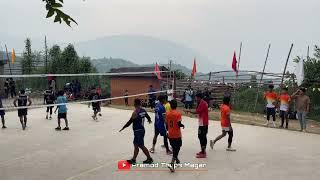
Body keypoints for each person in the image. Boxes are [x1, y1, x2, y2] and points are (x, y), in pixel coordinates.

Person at [119, 98, 153, 164]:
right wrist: (149, 120)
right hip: (141, 130)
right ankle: (134, 159)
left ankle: (149, 159)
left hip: (138, 131)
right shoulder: (143, 110)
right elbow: (148, 116)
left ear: (135, 104)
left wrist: (123, 127)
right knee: (135, 144)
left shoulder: (135, 112)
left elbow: (130, 122)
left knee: (141, 145)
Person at [185, 93, 209, 158]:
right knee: (201, 136)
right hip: (203, 122)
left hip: (203, 123)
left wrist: (188, 110)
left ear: (199, 97)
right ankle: (203, 150)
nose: (196, 99)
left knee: (202, 137)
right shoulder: (203, 102)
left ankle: (203, 152)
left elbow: (197, 112)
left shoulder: (202, 103)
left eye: (196, 98)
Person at [166, 100, 185, 172]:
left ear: (170, 106)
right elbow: (179, 123)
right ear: (176, 105)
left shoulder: (167, 113)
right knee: (178, 147)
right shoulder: (178, 113)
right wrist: (182, 125)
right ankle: (172, 163)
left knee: (174, 148)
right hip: (176, 134)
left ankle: (176, 159)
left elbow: (167, 124)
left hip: (170, 133)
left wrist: (167, 132)